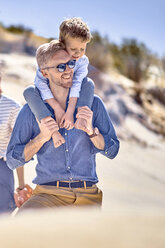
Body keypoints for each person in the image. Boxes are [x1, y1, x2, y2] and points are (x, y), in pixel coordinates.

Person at [6, 40, 119, 213]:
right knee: (19, 229)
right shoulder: (31, 111)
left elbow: (113, 150)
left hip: (88, 196)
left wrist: (91, 132)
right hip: (47, 196)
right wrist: (41, 138)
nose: (68, 70)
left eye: (71, 64)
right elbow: (13, 160)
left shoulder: (93, 104)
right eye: (60, 67)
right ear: (44, 73)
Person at [23, 17, 94, 148]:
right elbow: (40, 83)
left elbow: (77, 84)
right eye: (73, 49)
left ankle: (82, 119)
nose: (78, 54)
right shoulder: (48, 55)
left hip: (70, 94)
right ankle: (53, 131)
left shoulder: (82, 61)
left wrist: (69, 111)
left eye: (82, 49)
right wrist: (57, 108)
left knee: (89, 83)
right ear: (62, 43)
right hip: (51, 93)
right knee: (29, 91)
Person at [0, 72, 32, 214]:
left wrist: (20, 185)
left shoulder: (12, 107)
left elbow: (18, 146)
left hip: (3, 167)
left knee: (4, 214)